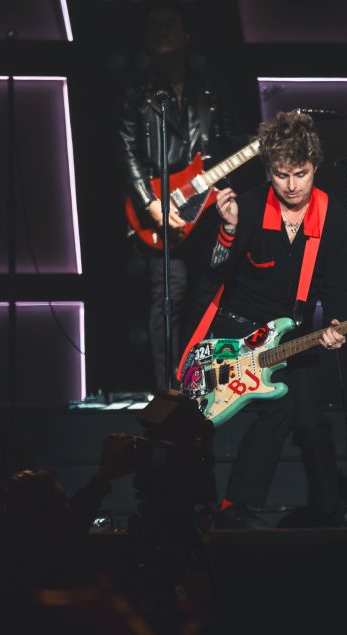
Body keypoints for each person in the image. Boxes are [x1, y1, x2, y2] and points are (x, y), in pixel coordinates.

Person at [180, 110, 347, 529]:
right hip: (238, 328)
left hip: (293, 330)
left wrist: (337, 324)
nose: (291, 186)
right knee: (282, 406)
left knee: (311, 420)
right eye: (282, 175)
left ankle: (329, 507)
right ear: (269, 171)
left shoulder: (333, 217)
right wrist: (228, 231)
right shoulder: (249, 207)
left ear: (315, 167)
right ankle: (235, 508)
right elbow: (216, 272)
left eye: (301, 174)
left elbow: (338, 289)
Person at [118, 1, 243, 393]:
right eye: (154, 25)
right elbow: (125, 147)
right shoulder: (138, 92)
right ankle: (167, 390)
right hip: (161, 210)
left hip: (206, 209)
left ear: (186, 35)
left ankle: (206, 385)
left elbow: (223, 145)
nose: (160, 31)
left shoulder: (212, 88)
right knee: (166, 300)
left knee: (211, 294)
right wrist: (149, 202)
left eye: (169, 24)